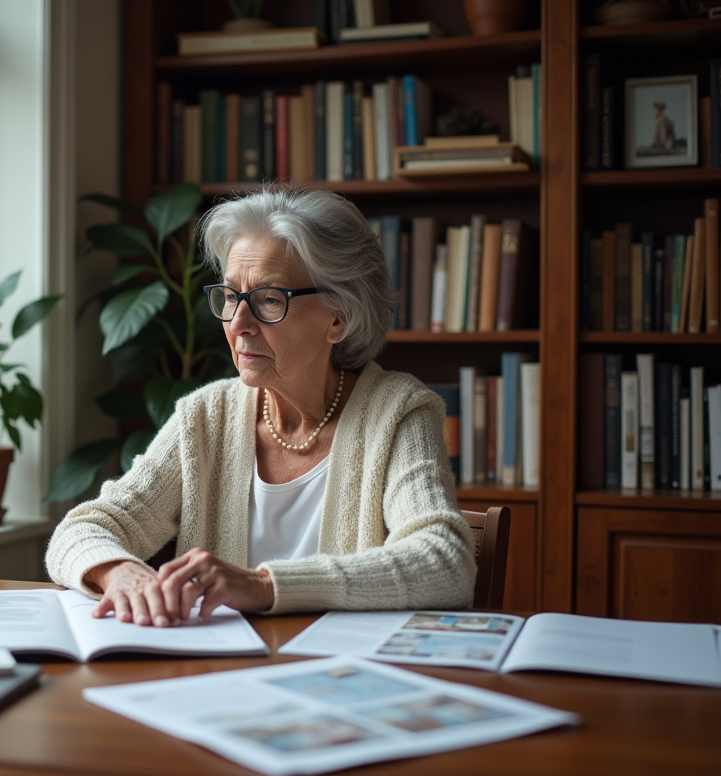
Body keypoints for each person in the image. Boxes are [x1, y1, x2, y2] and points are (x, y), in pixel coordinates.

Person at [45, 187, 475, 626]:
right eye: (230, 297)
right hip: (221, 675)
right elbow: (83, 529)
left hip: (343, 678)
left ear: (338, 316)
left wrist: (264, 586)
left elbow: (445, 562)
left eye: (269, 300)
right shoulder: (205, 417)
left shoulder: (399, 413)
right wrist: (120, 572)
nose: (238, 324)